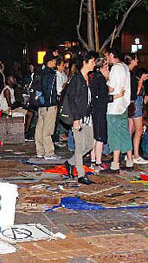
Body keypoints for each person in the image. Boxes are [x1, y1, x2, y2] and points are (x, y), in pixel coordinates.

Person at [64, 51, 98, 185]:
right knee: (79, 147)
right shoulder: (76, 79)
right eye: (92, 61)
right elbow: (71, 99)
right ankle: (81, 175)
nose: (94, 64)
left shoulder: (88, 78)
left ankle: (70, 163)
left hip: (87, 118)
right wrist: (76, 118)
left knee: (89, 145)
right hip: (78, 117)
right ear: (85, 62)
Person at [106, 48, 131, 172]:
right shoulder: (125, 67)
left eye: (107, 56)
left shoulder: (115, 68)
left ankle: (115, 163)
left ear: (111, 55)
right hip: (124, 105)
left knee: (114, 134)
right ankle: (129, 160)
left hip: (114, 106)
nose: (106, 59)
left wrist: (106, 79)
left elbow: (111, 88)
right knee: (125, 132)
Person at [35, 51, 60, 160]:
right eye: (54, 61)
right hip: (49, 105)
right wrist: (53, 103)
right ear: (50, 62)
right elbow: (50, 91)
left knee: (39, 128)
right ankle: (49, 152)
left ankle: (40, 151)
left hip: (40, 104)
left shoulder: (40, 72)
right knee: (48, 129)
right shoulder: (51, 74)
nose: (56, 63)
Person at [89, 56, 110, 172]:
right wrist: (115, 96)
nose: (108, 68)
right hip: (100, 111)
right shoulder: (101, 79)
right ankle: (98, 161)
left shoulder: (92, 77)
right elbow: (104, 98)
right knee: (100, 137)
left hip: (93, 110)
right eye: (106, 66)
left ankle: (93, 160)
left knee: (94, 137)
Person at [128, 57, 148, 165]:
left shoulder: (136, 80)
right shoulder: (136, 81)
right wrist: (141, 81)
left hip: (135, 106)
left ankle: (129, 155)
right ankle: (135, 155)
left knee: (131, 131)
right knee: (138, 130)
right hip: (135, 106)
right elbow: (136, 94)